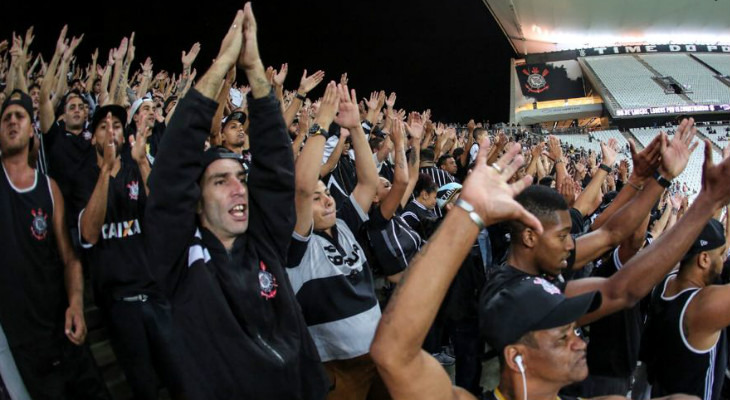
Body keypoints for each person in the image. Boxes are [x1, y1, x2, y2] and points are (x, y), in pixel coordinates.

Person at [369, 137, 716, 400]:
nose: (581, 343)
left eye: (574, 331)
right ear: (516, 357)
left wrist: (661, 184)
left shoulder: (544, 282)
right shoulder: (509, 289)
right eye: (565, 336)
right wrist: (469, 214)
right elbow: (393, 355)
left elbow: (613, 249)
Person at [144, 4, 328, 398]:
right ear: (196, 200)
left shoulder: (264, 241)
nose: (238, 188)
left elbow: (277, 168)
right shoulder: (178, 257)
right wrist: (224, 63)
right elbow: (172, 167)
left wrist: (255, 68)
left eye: (241, 179)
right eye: (220, 181)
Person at [482, 119, 708, 330]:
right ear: (530, 237)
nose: (571, 244)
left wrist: (656, 178)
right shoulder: (513, 295)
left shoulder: (541, 258)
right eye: (562, 236)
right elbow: (620, 289)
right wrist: (709, 201)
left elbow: (611, 232)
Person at [0, 90, 110, 398]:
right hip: (23, 339)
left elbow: (70, 259)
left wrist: (76, 303)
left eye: (20, 116)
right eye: (5, 117)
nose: (12, 121)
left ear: (32, 128)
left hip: (64, 326)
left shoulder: (49, 188)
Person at [78, 105, 189, 398]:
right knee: (144, 388)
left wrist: (141, 163)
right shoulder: (84, 178)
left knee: (181, 378)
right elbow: (88, 233)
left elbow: (160, 215)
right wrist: (104, 173)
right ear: (93, 138)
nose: (111, 130)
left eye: (116, 124)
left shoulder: (133, 169)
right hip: (119, 303)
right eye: (103, 126)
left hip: (154, 293)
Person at [287, 81, 388, 399]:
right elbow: (302, 187)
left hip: (381, 356)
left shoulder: (343, 224)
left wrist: (357, 128)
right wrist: (321, 123)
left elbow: (370, 182)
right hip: (341, 373)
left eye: (328, 193)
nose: (327, 200)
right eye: (318, 199)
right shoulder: (297, 248)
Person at [642, 217, 729, 400]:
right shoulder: (703, 305)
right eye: (721, 254)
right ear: (704, 259)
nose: (723, 262)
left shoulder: (663, 282)